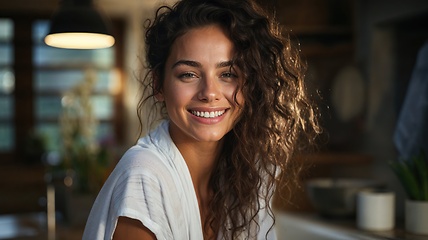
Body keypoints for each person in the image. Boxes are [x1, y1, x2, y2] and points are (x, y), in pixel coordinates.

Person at [82, 0, 320, 239]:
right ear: (159, 85)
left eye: (227, 74)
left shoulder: (245, 173)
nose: (209, 93)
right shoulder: (144, 179)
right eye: (189, 74)